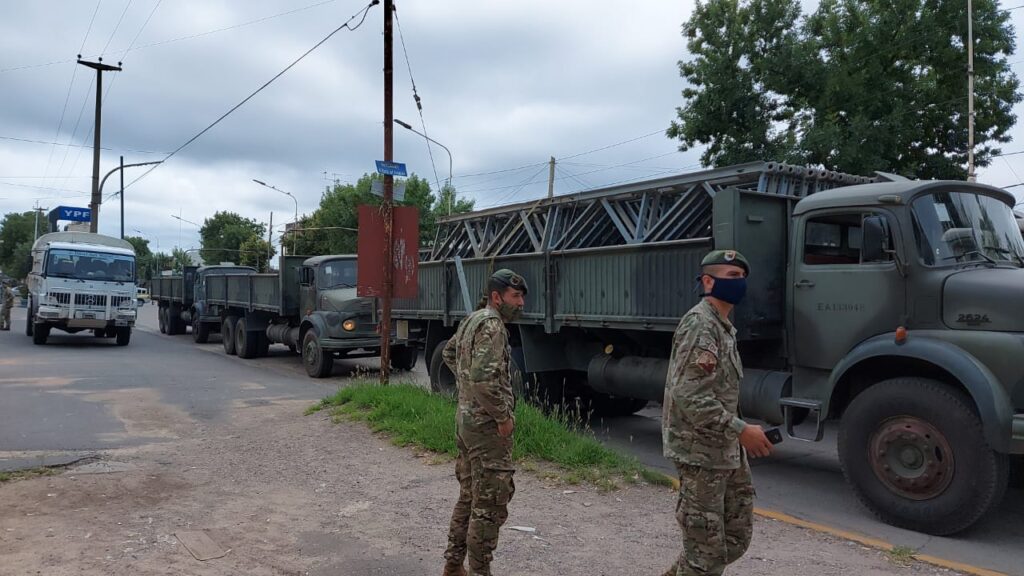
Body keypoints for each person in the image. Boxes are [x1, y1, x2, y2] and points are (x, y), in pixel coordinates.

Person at [661, 250, 774, 576]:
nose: (740, 282)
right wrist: (740, 429)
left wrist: (736, 436)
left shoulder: (722, 327)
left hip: (725, 450)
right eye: (732, 276)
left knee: (734, 539)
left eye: (742, 277)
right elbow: (689, 394)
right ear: (708, 282)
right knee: (706, 555)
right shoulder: (700, 325)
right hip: (700, 453)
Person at [441, 268, 528, 576]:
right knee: (489, 503)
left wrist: (466, 387)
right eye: (515, 296)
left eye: (522, 297)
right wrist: (502, 416)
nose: (520, 303)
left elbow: (450, 353)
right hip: (486, 429)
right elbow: (482, 379)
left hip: (466, 423)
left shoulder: (474, 319)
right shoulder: (492, 326)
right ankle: (480, 571)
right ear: (496, 297)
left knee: (469, 497)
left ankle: (454, 565)